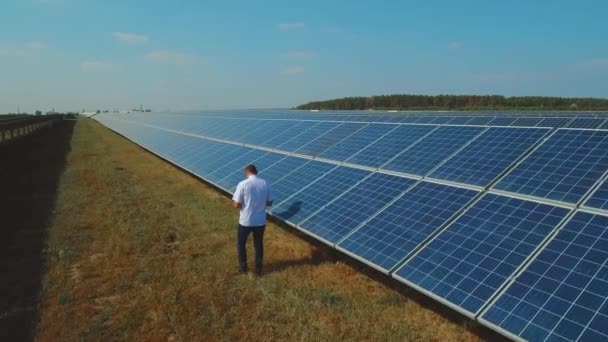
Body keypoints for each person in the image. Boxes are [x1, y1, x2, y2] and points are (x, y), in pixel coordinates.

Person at [232, 164, 272, 275]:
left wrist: (242, 205)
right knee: (258, 244)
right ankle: (258, 270)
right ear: (256, 172)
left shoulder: (243, 184)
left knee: (241, 244)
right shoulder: (265, 183)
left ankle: (242, 267)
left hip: (246, 221)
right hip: (260, 221)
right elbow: (269, 203)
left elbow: (236, 204)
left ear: (247, 172)